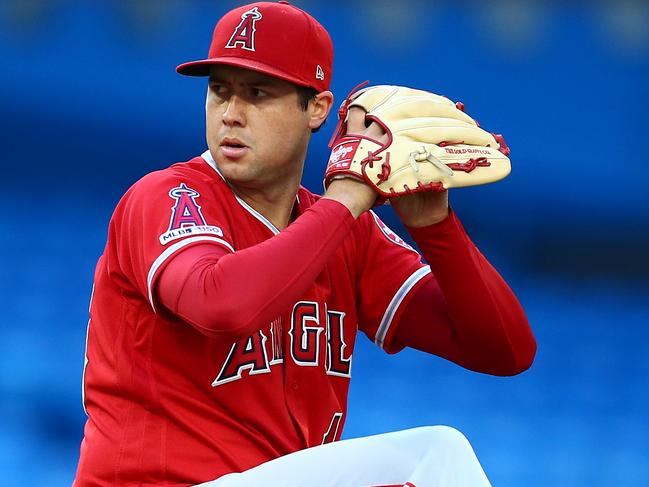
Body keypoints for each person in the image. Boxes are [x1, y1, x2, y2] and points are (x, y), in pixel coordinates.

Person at [72, 1, 536, 486]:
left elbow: (504, 350)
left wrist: (436, 227)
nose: (231, 114)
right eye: (219, 91)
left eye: (257, 93)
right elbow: (219, 304)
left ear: (316, 108)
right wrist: (349, 196)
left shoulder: (346, 232)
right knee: (436, 455)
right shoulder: (168, 195)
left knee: (437, 461)